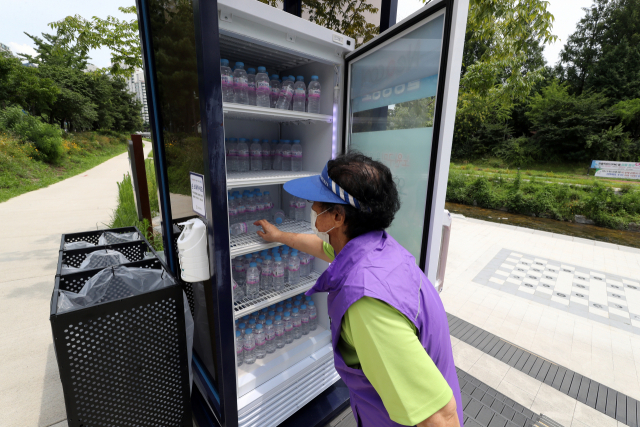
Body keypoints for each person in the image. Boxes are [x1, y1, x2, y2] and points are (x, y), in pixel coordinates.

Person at [254, 152, 462, 427]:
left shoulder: (366, 304)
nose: (313, 205)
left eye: (319, 200)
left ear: (337, 216)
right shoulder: (377, 248)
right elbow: (321, 247)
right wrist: (279, 236)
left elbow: (440, 418)